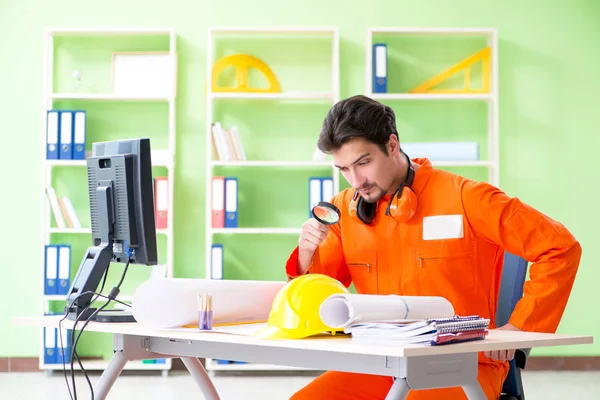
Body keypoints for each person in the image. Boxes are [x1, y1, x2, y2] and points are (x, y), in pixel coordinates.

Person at [284, 95, 582, 400]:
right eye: (344, 168)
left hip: (464, 364)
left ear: (391, 145)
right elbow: (323, 301)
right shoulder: (344, 209)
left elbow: (560, 247)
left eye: (363, 162)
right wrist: (307, 255)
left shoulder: (468, 197)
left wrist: (521, 327)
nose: (356, 180)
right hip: (380, 362)